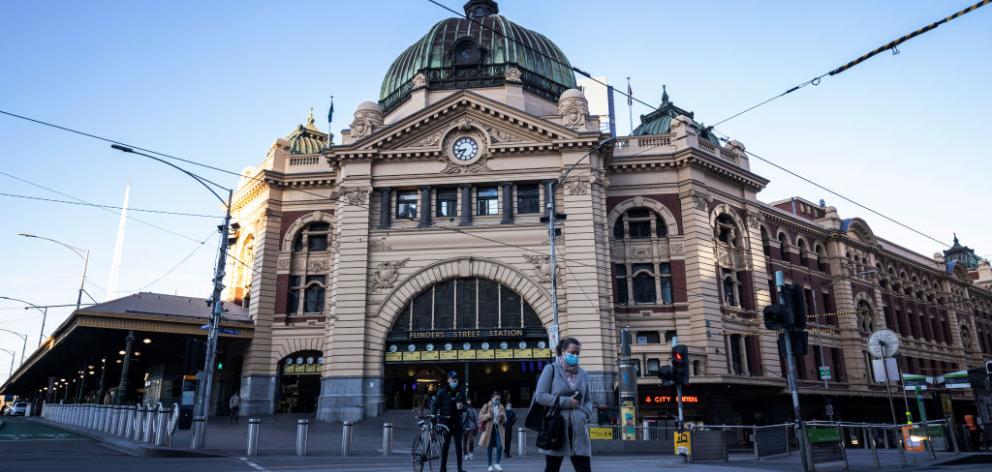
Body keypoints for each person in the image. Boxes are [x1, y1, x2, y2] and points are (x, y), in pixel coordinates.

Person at [534, 337, 593, 472]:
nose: (575, 356)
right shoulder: (551, 369)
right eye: (572, 352)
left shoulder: (583, 374)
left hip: (578, 429)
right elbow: (540, 396)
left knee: (584, 468)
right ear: (563, 351)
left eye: (578, 353)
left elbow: (588, 400)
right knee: (552, 468)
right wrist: (566, 402)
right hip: (557, 428)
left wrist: (586, 413)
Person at [431, 371, 467, 472]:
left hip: (457, 423)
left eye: (456, 378)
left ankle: (460, 468)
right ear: (448, 380)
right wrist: (433, 414)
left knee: (458, 446)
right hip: (445, 423)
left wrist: (462, 407)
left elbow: (466, 407)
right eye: (452, 378)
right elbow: (435, 405)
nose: (455, 380)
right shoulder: (442, 392)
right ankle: (443, 468)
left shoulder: (461, 392)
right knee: (445, 447)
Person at [478, 391, 507, 472]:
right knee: (489, 447)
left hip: (498, 428)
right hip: (489, 429)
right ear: (492, 398)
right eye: (496, 399)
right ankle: (490, 465)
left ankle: (497, 463)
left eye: (499, 399)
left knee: (500, 445)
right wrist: (487, 416)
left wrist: (502, 417)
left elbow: (505, 419)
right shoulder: (486, 405)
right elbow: (480, 416)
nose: (498, 401)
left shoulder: (501, 406)